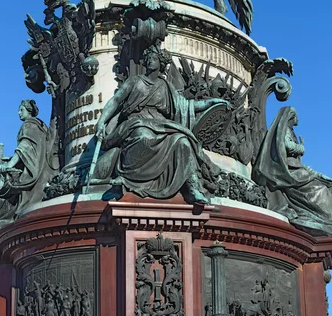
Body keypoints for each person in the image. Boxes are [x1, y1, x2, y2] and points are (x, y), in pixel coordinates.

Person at [89, 45, 228, 203]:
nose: (149, 61)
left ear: (161, 63)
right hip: (136, 122)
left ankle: (193, 188)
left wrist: (213, 101)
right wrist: (101, 122)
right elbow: (116, 100)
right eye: (148, 58)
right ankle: (128, 179)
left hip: (162, 125)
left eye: (153, 58)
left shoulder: (166, 86)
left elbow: (187, 105)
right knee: (143, 136)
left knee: (183, 141)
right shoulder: (135, 81)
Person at [253, 107, 332, 239]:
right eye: (296, 116)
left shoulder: (289, 131)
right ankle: (328, 226)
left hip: (297, 170)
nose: (298, 119)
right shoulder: (283, 130)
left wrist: (319, 175)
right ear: (291, 117)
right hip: (288, 173)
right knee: (320, 191)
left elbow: (301, 165)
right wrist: (301, 148)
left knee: (326, 186)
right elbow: (286, 145)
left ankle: (329, 226)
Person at [0, 100, 53, 232]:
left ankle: (4, 217)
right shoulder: (41, 127)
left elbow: (25, 148)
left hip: (33, 173)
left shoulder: (29, 125)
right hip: (43, 170)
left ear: (29, 111)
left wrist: (9, 165)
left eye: (21, 110)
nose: (18, 113)